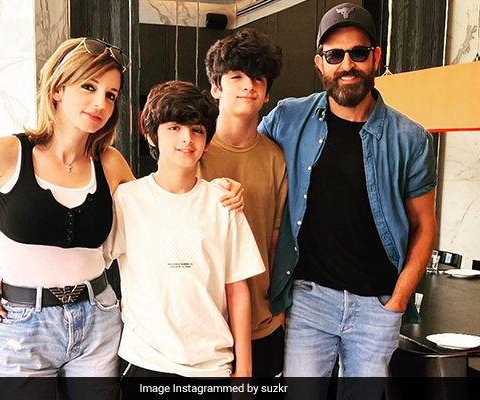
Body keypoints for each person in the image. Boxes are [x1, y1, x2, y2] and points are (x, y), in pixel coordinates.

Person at [0, 38, 242, 395]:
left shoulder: (109, 162)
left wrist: (215, 189)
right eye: (89, 87)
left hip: (98, 317)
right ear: (57, 88)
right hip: (24, 323)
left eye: (111, 95)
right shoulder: (6, 153)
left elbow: (162, 205)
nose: (101, 103)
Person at [258, 3, 437, 399]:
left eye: (358, 52)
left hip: (378, 307)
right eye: (334, 55)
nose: (347, 65)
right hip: (308, 302)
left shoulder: (410, 138)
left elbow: (425, 225)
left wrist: (398, 301)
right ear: (319, 63)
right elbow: (243, 153)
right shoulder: (288, 119)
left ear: (376, 57)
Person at [110, 81, 264, 391]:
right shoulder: (126, 200)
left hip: (212, 366)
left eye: (196, 130)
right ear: (151, 134)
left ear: (207, 141)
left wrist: (244, 372)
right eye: (174, 127)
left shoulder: (224, 202)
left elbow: (238, 290)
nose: (186, 139)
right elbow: (87, 260)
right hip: (145, 361)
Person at [200, 28, 287, 379]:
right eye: (236, 76)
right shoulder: (192, 151)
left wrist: (279, 311)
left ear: (267, 93)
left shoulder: (276, 157)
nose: (248, 85)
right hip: (204, 324)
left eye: (257, 78)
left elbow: (276, 241)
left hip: (262, 325)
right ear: (216, 88)